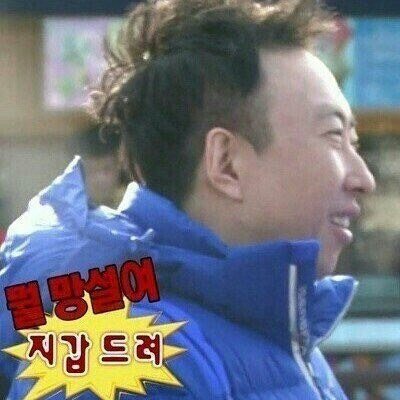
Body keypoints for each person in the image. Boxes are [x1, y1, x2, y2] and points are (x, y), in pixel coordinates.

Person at [0, 0, 376, 399]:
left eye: (353, 143)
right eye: (334, 136)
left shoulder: (277, 336)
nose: (364, 179)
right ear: (226, 164)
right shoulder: (125, 355)